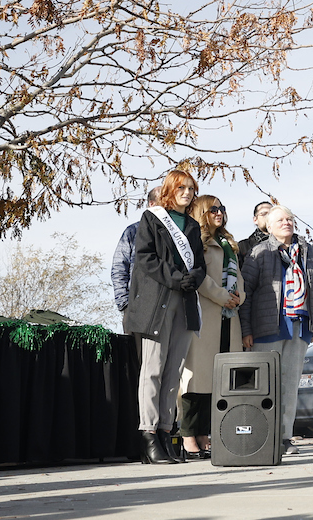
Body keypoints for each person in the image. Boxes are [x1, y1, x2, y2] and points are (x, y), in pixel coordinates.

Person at [123, 170, 207, 465]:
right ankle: (148, 434)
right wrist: (175, 278)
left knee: (174, 373)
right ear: (170, 190)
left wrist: (193, 279)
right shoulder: (153, 219)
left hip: (184, 303)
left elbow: (199, 264)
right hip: (157, 302)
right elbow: (145, 257)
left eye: (191, 188)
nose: (186, 192)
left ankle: (165, 431)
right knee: (154, 369)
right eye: (181, 188)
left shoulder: (194, 226)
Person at [239, 204, 313, 455]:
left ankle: (285, 437)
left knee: (289, 386)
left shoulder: (308, 251)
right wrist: (246, 329)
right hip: (267, 328)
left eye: (289, 219)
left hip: (300, 326)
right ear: (269, 226)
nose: (286, 223)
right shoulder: (259, 252)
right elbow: (246, 293)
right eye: (280, 220)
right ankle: (261, 437)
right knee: (264, 387)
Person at [178, 195, 245, 460]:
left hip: (230, 318)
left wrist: (240, 296)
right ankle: (187, 435)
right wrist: (220, 296)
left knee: (220, 382)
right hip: (206, 317)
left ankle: (206, 433)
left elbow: (239, 279)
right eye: (214, 209)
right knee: (197, 380)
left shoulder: (228, 244)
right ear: (203, 212)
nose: (219, 212)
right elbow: (199, 277)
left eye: (222, 208)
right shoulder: (196, 241)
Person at [111, 187, 162, 313]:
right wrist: (125, 304)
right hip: (136, 308)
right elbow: (119, 267)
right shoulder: (133, 232)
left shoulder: (178, 235)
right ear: (152, 204)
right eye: (164, 200)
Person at [236, 201, 273, 268]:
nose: (268, 217)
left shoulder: (285, 243)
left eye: (272, 214)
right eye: (264, 214)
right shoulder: (243, 246)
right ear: (255, 220)